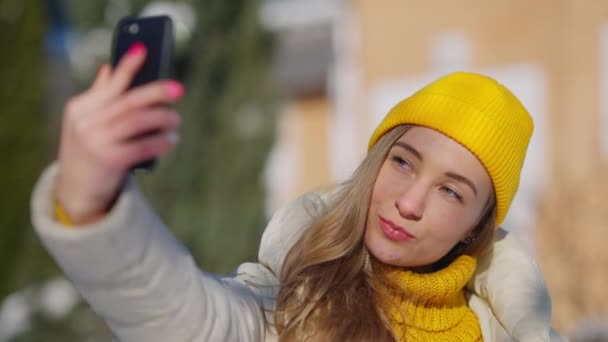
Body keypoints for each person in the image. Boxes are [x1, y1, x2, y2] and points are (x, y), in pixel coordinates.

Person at [31, 43, 565, 341]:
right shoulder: (293, 302)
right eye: (404, 162)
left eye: (452, 191)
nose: (410, 201)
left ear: (477, 225)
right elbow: (188, 318)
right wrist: (93, 205)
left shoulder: (509, 333)